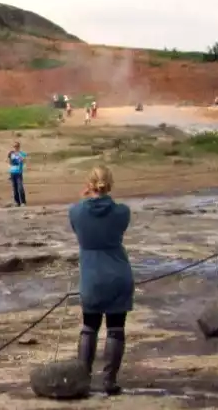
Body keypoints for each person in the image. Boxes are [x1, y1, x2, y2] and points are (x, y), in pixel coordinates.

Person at [70, 166, 133, 396]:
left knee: (89, 328)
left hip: (92, 276)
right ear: (110, 184)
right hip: (118, 273)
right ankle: (109, 381)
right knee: (116, 330)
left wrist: (83, 200)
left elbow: (79, 229)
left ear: (89, 185)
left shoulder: (76, 211)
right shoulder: (122, 212)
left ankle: (83, 379)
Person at [7, 142, 28, 207]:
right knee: (14, 188)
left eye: (16, 146)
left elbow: (24, 160)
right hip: (12, 172)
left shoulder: (22, 153)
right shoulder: (11, 153)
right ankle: (17, 202)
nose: (15, 147)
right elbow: (9, 161)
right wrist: (11, 160)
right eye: (14, 146)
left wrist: (21, 159)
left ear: (19, 146)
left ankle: (23, 202)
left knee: (20, 187)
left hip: (18, 172)